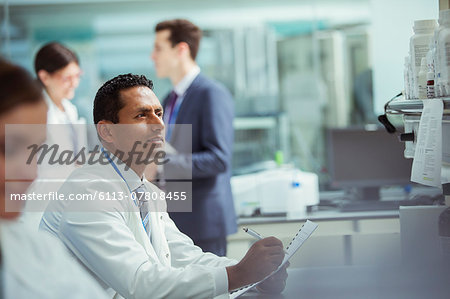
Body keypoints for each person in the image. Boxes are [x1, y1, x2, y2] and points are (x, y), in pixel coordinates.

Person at [40, 73, 288, 298]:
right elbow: (140, 283)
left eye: (158, 113)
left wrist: (255, 277)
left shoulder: (147, 192)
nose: (158, 125)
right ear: (106, 132)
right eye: (141, 115)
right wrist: (239, 274)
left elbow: (183, 257)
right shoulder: (87, 194)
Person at [0, 59, 108, 298]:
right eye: (7, 149)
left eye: (36, 150)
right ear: (45, 77)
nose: (30, 174)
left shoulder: (38, 250)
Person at [151, 19, 236, 256]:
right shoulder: (169, 99)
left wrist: (160, 164)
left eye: (158, 48)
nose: (152, 56)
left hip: (203, 222)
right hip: (176, 220)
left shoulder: (211, 94)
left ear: (181, 50)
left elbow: (219, 159)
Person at [23, 42, 87, 229]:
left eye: (77, 76)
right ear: (44, 77)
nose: (74, 83)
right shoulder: (34, 113)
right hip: (39, 209)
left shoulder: (70, 110)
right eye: (67, 78)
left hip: (66, 206)